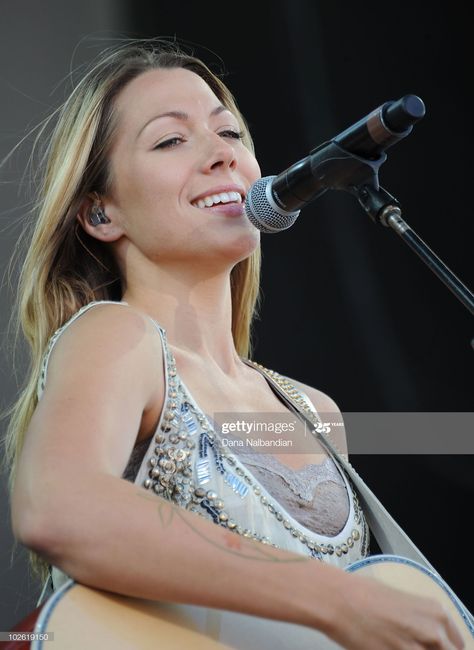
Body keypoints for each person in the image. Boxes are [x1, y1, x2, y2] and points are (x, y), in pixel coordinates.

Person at [4, 39, 465, 649]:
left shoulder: (312, 411)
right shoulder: (117, 336)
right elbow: (58, 509)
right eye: (171, 140)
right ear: (100, 213)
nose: (221, 155)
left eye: (231, 134)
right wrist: (336, 597)